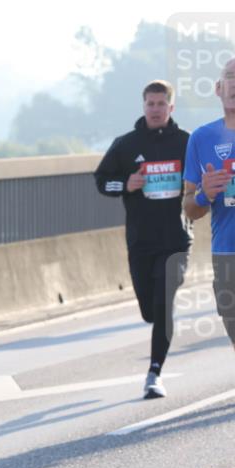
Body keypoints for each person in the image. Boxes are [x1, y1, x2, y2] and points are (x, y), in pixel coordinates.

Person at [95, 80, 191, 398]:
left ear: (171, 107)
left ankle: (154, 374)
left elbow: (203, 180)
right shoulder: (126, 144)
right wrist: (126, 184)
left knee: (163, 305)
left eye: (161, 104)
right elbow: (101, 181)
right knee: (150, 311)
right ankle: (154, 323)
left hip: (176, 240)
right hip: (141, 242)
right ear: (143, 106)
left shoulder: (187, 143)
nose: (155, 109)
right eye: (150, 103)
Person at [183, 57, 235, 351]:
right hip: (228, 256)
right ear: (218, 88)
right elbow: (189, 208)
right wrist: (205, 195)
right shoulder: (201, 138)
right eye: (231, 76)